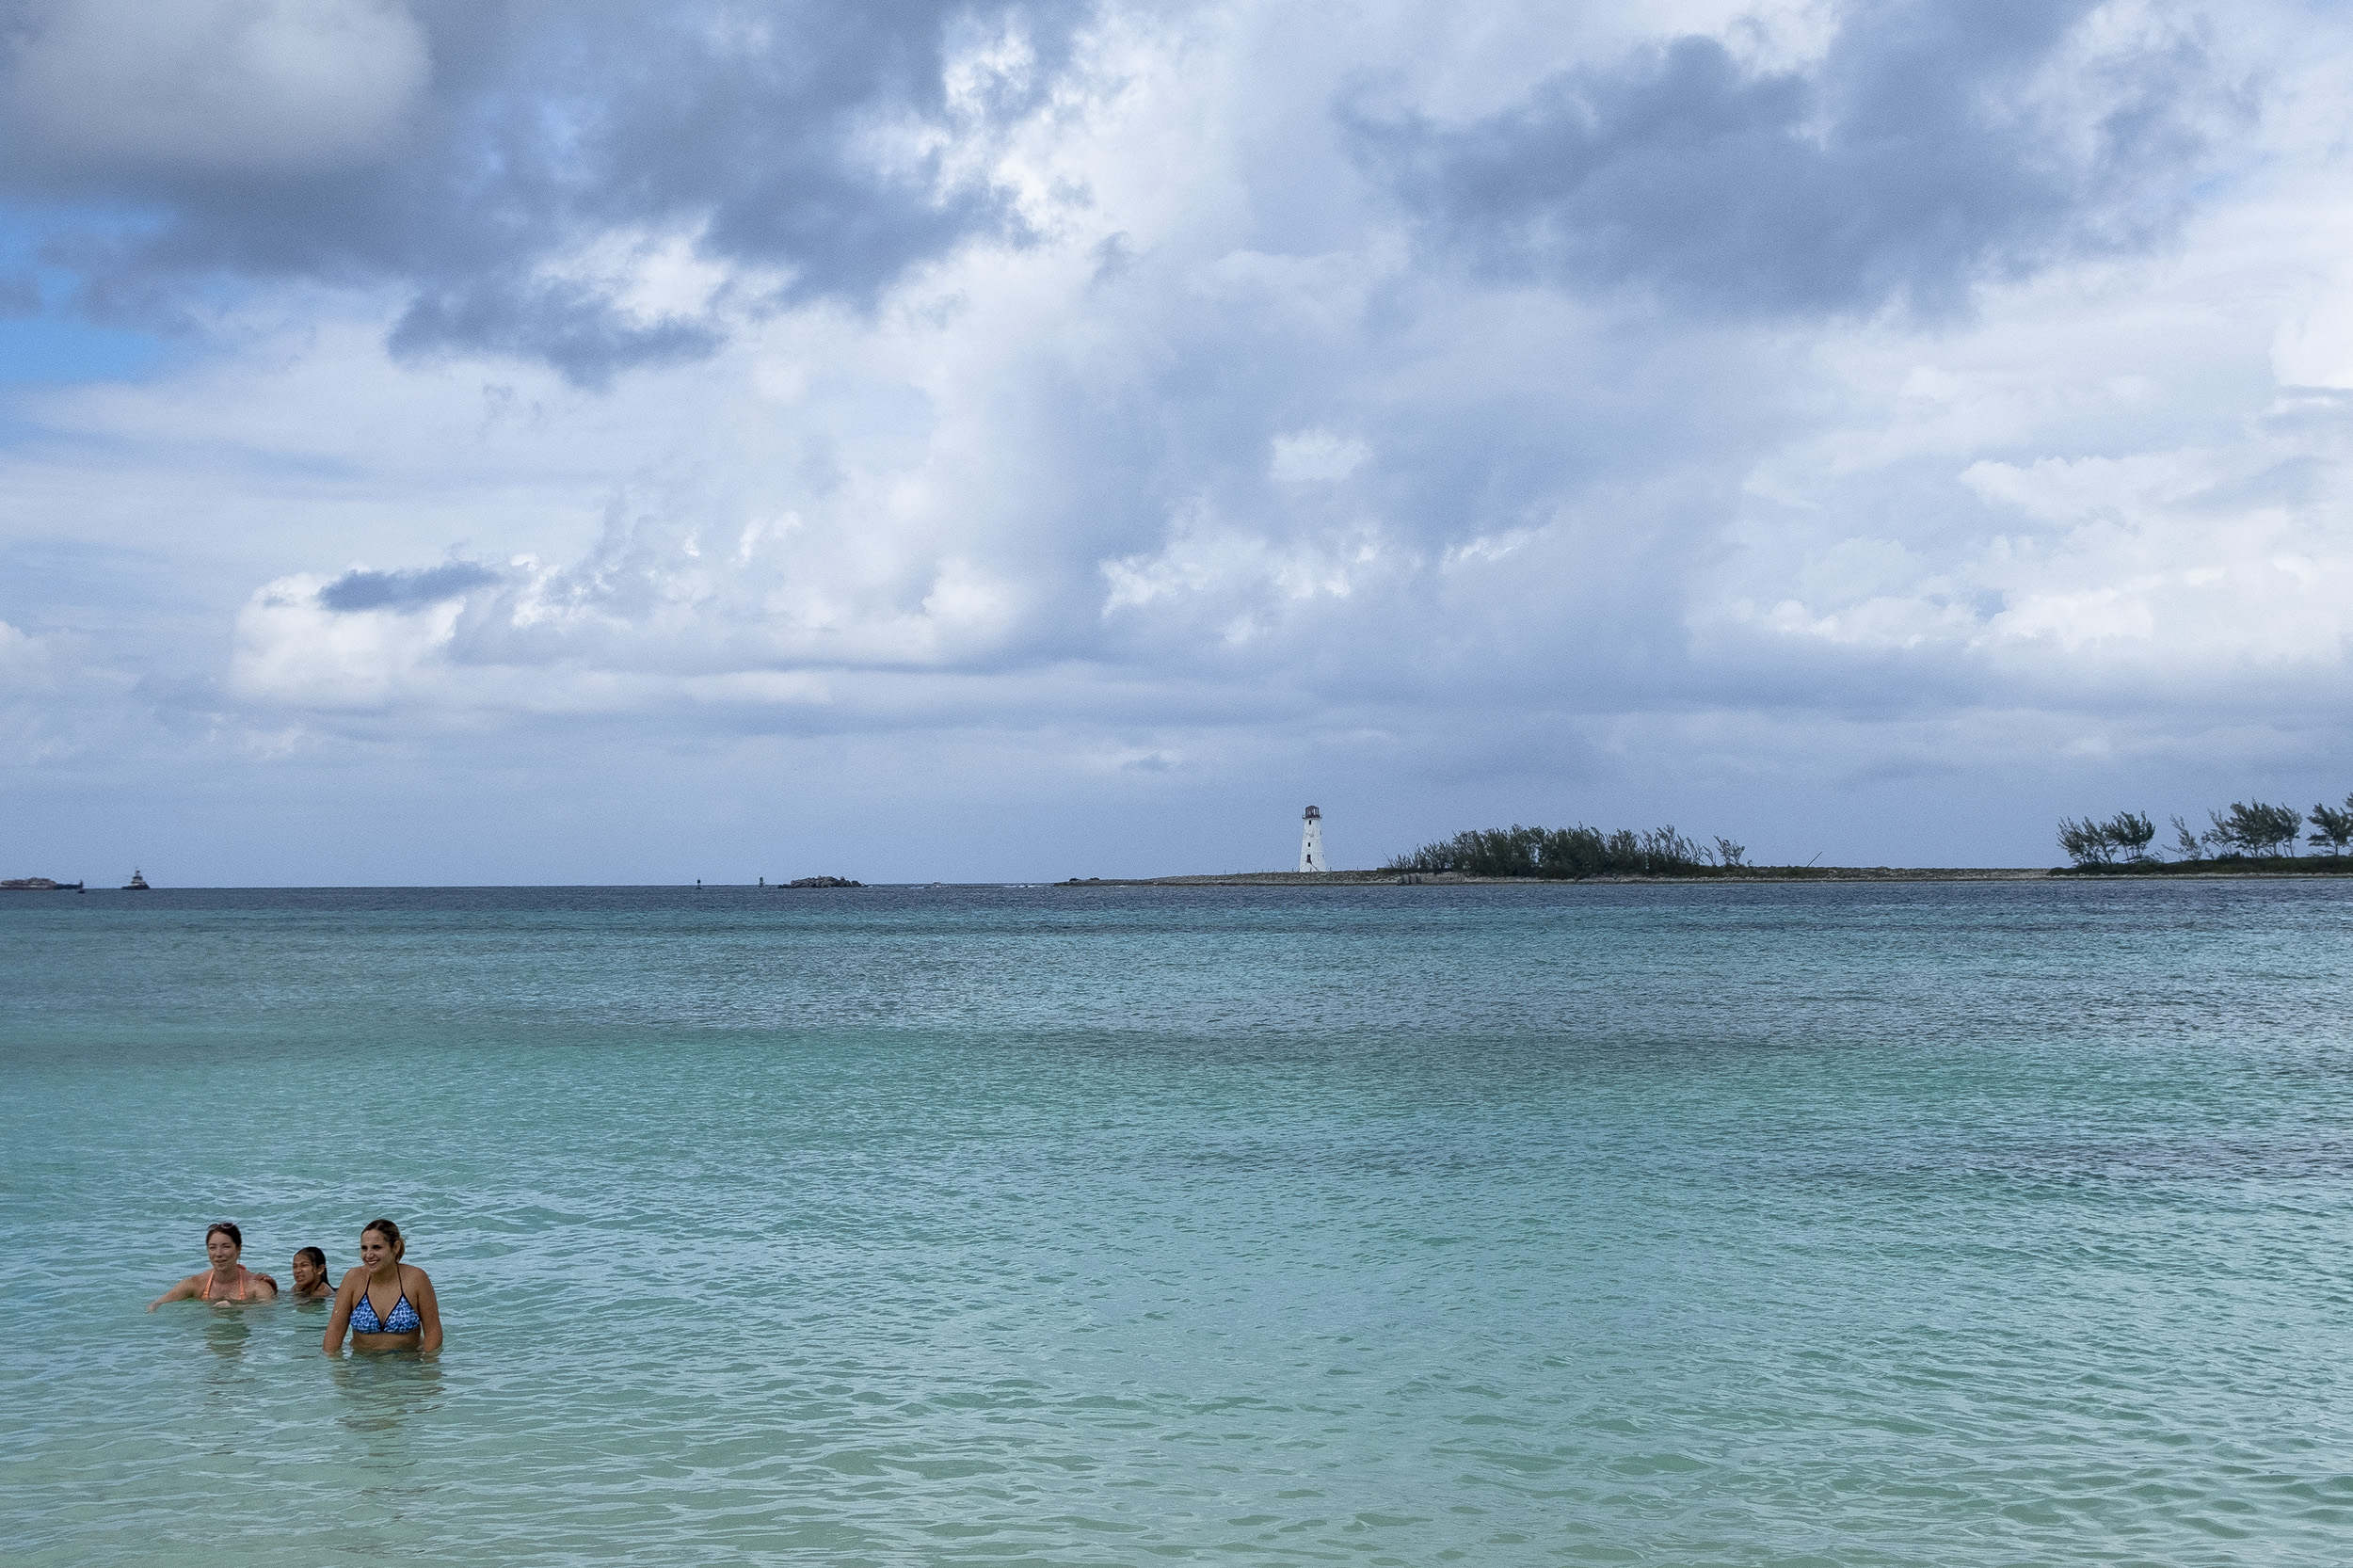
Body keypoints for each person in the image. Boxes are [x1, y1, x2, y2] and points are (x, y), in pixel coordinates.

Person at [323, 1218, 441, 1354]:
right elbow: (336, 1328)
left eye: (376, 1247)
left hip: (407, 1363)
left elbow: (433, 1329)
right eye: (364, 1248)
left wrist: (428, 1367)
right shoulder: (353, 1279)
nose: (368, 1255)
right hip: (362, 1363)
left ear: (395, 1247)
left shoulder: (416, 1278)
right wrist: (335, 1367)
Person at [149, 1222, 280, 1309]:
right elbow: (156, 1305)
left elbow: (266, 1316)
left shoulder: (257, 1286)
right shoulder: (195, 1284)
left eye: (226, 1247)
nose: (218, 1254)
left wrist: (235, 1309)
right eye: (212, 1248)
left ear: (238, 1249)